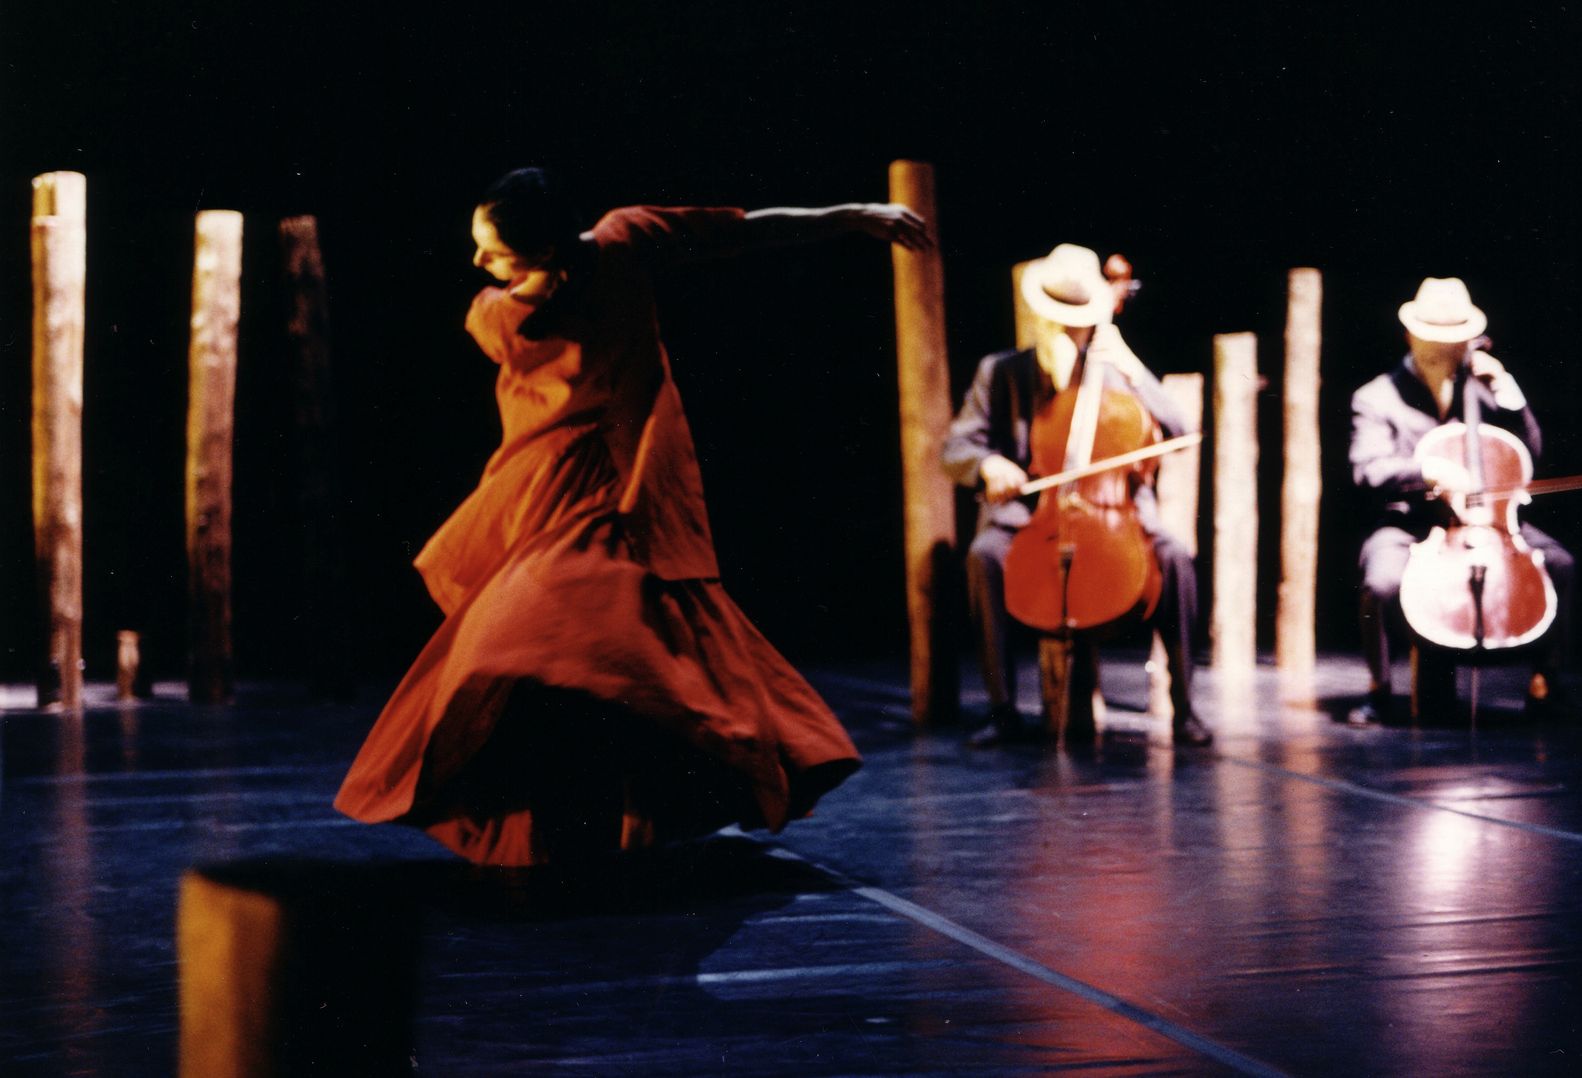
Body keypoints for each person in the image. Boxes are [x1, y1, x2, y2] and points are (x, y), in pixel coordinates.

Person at [334, 167, 932, 865]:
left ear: (547, 251)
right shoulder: (502, 311)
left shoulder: (607, 251)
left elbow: (742, 230)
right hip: (542, 486)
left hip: (627, 485)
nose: (478, 263)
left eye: (492, 251)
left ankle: (676, 792)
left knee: (618, 641)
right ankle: (564, 820)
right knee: (541, 645)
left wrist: (851, 213)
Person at [942, 244, 1212, 748]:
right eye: (1056, 319)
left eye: (1076, 321)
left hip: (1116, 518)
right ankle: (1002, 709)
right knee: (984, 557)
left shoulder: (1117, 375)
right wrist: (989, 463)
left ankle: (1186, 708)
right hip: (1029, 519)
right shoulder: (1001, 372)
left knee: (1175, 560)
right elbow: (956, 447)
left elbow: (1180, 429)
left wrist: (1132, 368)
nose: (1066, 331)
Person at [1347, 276, 1582, 725]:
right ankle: (1379, 689)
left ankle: (1544, 686)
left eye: (1456, 343)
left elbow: (1527, 455)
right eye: (1436, 342)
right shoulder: (1377, 396)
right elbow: (1368, 468)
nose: (1447, 352)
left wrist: (1510, 396)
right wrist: (1426, 470)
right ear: (1410, 336)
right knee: (1380, 583)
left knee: (1561, 564)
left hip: (1489, 521)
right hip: (1411, 522)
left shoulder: (1481, 390)